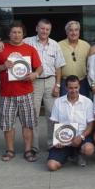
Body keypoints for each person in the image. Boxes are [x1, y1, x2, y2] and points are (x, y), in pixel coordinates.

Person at [0, 21, 43, 162]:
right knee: (8, 124)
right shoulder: (1, 49)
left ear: (23, 34)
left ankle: (28, 151)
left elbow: (39, 67)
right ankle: (10, 150)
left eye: (19, 32)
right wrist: (3, 66)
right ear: (9, 34)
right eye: (14, 32)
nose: (17, 35)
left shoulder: (30, 49)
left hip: (26, 92)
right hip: (7, 94)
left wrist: (35, 75)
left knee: (28, 124)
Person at [23, 19, 66, 152]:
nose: (44, 31)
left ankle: (52, 143)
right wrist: (1, 44)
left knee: (52, 114)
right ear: (37, 28)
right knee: (33, 114)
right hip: (34, 82)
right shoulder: (27, 42)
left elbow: (58, 67)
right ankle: (34, 146)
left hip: (51, 81)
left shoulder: (55, 45)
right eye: (42, 28)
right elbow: (14, 46)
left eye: (47, 29)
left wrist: (57, 85)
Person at [47, 75, 95, 171]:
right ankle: (68, 155)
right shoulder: (58, 102)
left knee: (89, 149)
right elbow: (54, 123)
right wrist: (57, 139)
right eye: (71, 88)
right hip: (64, 138)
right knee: (52, 166)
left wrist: (81, 137)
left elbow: (91, 125)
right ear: (66, 88)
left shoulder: (87, 102)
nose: (73, 90)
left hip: (81, 137)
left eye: (76, 87)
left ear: (79, 87)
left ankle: (79, 153)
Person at [58, 21, 91, 97]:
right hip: (65, 83)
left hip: (82, 82)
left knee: (84, 106)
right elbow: (57, 66)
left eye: (76, 30)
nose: (74, 33)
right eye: (71, 30)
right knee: (65, 106)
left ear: (79, 31)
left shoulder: (86, 45)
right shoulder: (59, 45)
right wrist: (57, 84)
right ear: (66, 32)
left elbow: (90, 66)